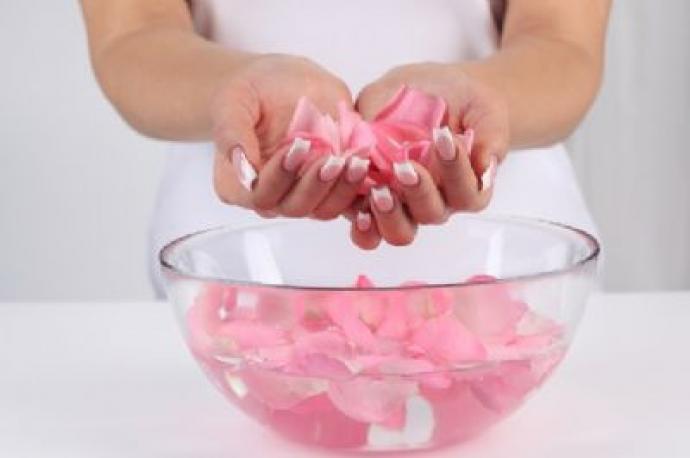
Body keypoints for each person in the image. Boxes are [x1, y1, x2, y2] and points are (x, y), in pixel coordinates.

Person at [80, 0, 611, 293]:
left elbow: (562, 43)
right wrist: (233, 92)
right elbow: (133, 35)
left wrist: (484, 102)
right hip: (230, 277)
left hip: (510, 271)